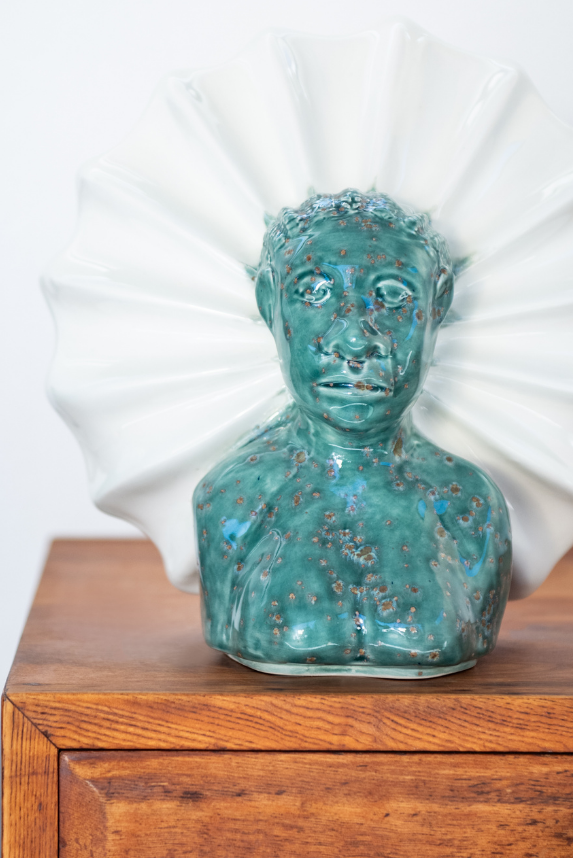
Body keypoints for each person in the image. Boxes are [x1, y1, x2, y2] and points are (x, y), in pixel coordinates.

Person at [195, 189, 511, 676]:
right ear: (269, 301)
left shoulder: (470, 508)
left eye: (394, 295)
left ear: (438, 304)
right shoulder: (230, 502)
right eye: (314, 293)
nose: (356, 337)